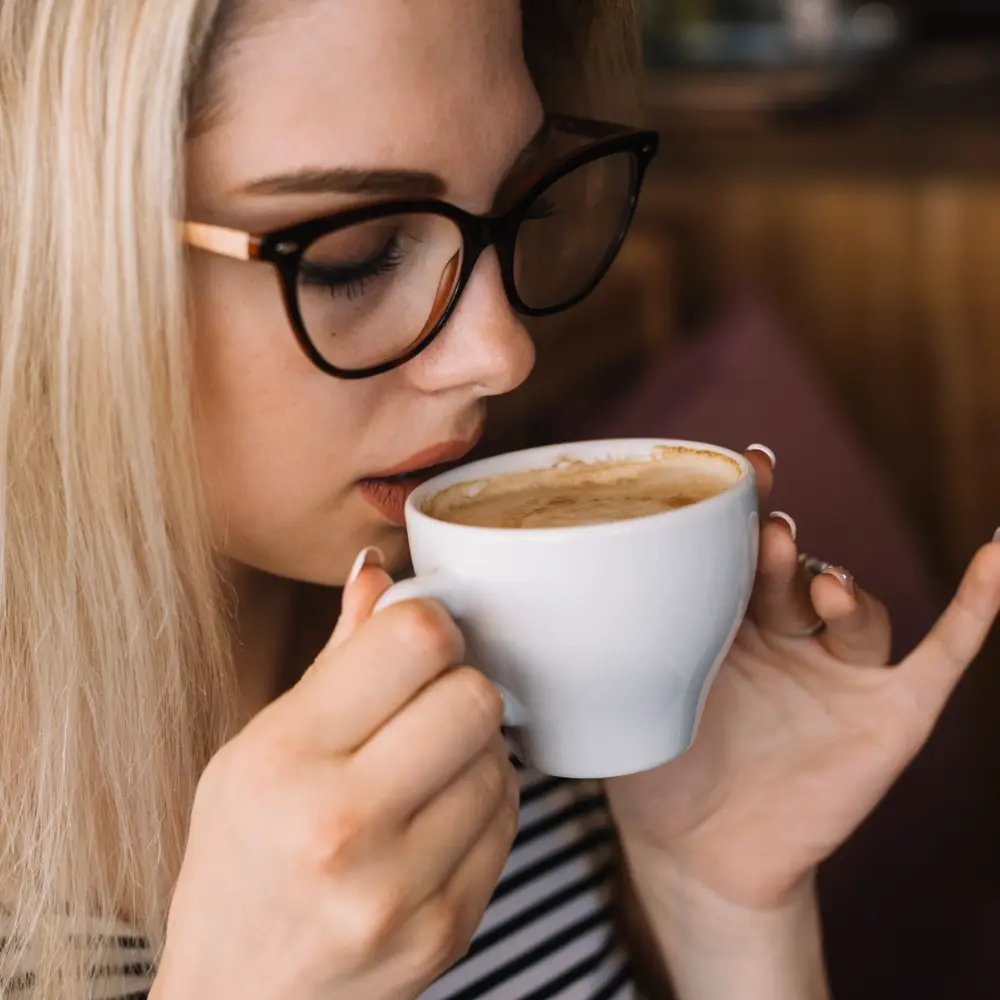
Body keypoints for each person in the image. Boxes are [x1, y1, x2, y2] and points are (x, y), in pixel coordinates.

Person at [2, 3, 999, 1000]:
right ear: (40, 243)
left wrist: (727, 912)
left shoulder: (495, 665)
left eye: (521, 206)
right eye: (358, 251)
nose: (501, 351)